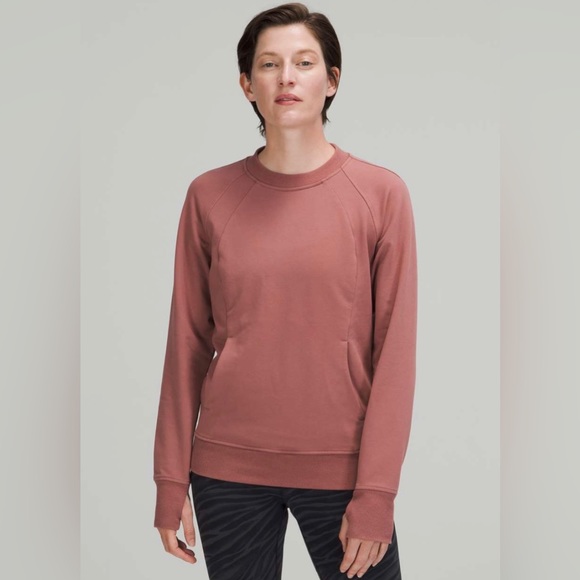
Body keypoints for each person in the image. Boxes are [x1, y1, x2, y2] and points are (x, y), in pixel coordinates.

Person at [152, 3, 418, 579]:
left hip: (343, 472)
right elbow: (186, 344)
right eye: (269, 64)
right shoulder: (209, 196)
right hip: (227, 470)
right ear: (248, 85)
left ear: (332, 80)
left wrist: (377, 492)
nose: (287, 78)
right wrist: (170, 479)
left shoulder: (380, 194)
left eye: (304, 62)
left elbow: (395, 356)